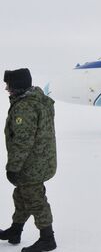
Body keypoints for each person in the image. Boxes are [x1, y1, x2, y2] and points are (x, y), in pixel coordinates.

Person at [1, 68, 57, 251]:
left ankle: (47, 238)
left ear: (17, 86)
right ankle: (15, 231)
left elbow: (22, 141)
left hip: (31, 164)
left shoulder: (25, 107)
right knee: (21, 196)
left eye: (8, 85)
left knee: (35, 199)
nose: (7, 89)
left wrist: (13, 167)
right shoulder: (38, 100)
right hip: (41, 160)